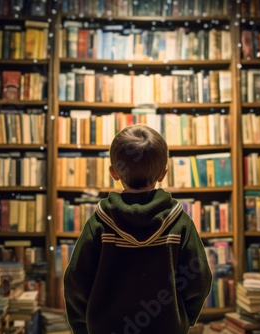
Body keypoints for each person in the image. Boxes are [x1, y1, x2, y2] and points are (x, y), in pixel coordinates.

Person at [63, 124, 213, 334]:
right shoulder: (180, 223)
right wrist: (184, 320)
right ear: (163, 173)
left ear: (114, 172)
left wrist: (83, 327)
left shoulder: (99, 223)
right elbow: (200, 280)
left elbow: (75, 283)